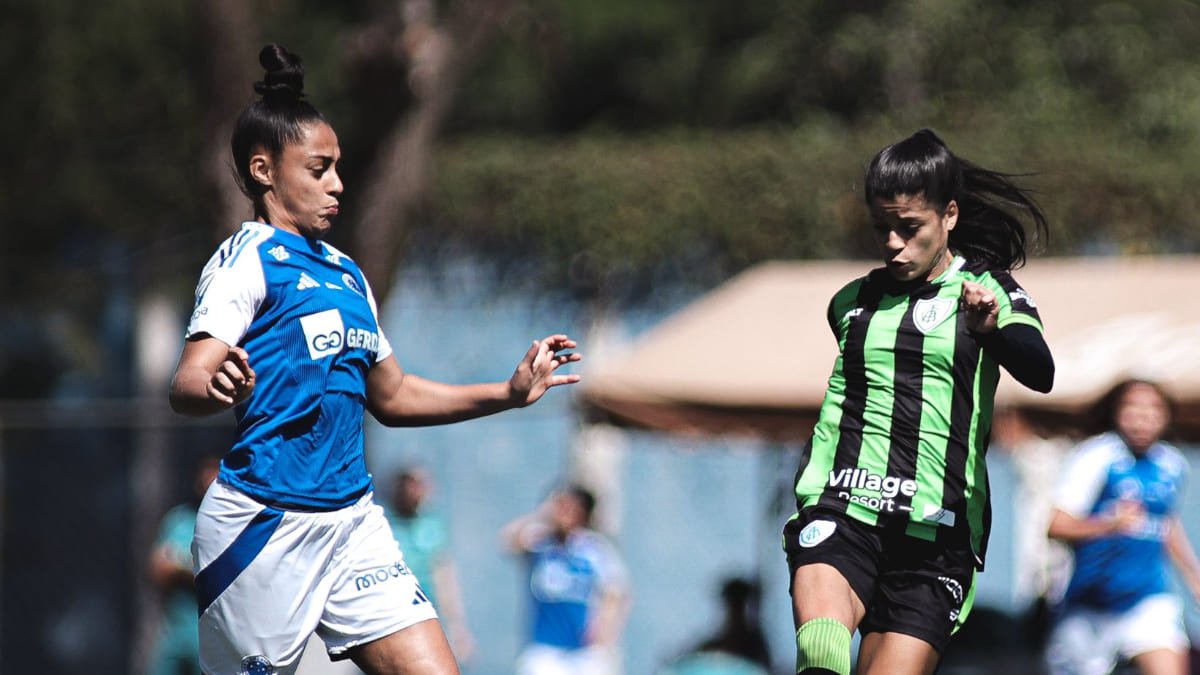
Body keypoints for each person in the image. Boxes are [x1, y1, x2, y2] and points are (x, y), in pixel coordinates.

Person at [167, 43, 581, 675]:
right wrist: (212, 381)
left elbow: (392, 396)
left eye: (339, 168)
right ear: (263, 170)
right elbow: (189, 379)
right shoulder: (247, 261)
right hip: (263, 529)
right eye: (319, 169)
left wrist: (507, 392)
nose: (337, 184)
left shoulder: (347, 273)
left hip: (353, 524)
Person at [781, 128, 1055, 675]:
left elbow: (1039, 369)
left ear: (949, 215)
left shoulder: (987, 289)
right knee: (820, 650)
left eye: (909, 229)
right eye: (881, 228)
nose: (891, 243)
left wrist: (992, 330)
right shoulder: (852, 304)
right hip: (843, 506)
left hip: (937, 534)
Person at [1044, 379, 1200, 675]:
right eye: (1133, 409)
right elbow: (1056, 525)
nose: (1143, 418)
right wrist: (1109, 524)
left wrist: (1193, 575)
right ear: (1117, 412)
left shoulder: (1172, 464)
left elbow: (1166, 523)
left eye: (1153, 409)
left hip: (1147, 598)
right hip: (1090, 604)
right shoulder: (1097, 457)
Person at [501, 484, 631, 675]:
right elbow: (508, 541)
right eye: (559, 506)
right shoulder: (540, 543)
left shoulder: (594, 549)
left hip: (584, 651)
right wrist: (541, 515)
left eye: (569, 507)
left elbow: (617, 592)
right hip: (545, 648)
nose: (562, 513)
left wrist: (606, 631)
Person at [382, 468, 474, 662]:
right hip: (389, 616)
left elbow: (444, 577)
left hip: (424, 613)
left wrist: (458, 627)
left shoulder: (431, 524)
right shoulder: (382, 523)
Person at [146, 454, 221, 675]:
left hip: (210, 634)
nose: (210, 480)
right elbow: (158, 568)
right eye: (206, 472)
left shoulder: (227, 525)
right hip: (176, 631)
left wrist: (182, 568)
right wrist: (192, 570)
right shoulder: (179, 519)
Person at [656, 576, 773, 675]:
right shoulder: (715, 643)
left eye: (738, 603)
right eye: (732, 603)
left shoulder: (754, 644)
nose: (734, 609)